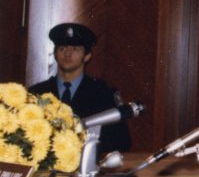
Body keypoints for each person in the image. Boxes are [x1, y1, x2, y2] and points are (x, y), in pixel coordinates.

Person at [30, 23, 132, 155]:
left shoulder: (103, 93)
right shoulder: (36, 93)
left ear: (87, 56)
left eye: (75, 49)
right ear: (55, 54)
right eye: (62, 48)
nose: (67, 53)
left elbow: (122, 141)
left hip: (89, 167)